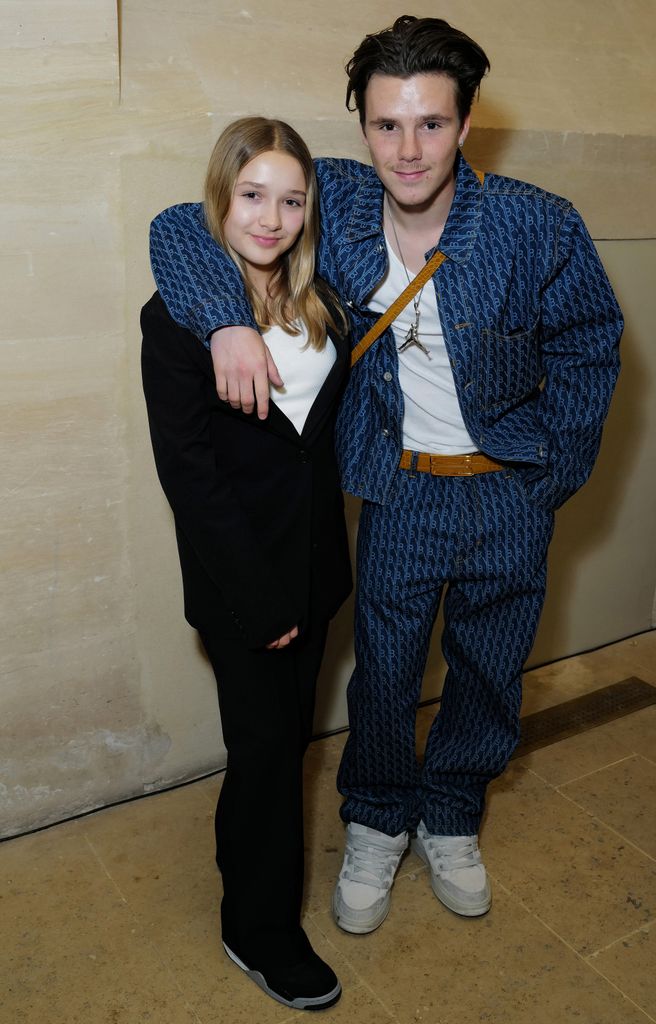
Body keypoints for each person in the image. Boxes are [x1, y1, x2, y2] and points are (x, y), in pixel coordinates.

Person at [147, 16, 623, 937]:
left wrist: (554, 470)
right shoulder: (338, 205)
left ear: (466, 122)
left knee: (488, 669)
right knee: (386, 674)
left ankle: (449, 813)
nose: (408, 150)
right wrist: (223, 321)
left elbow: (589, 343)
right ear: (360, 127)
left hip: (510, 491)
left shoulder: (536, 224)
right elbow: (182, 223)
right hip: (399, 488)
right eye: (385, 125)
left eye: (431, 124)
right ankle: (374, 816)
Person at [141, 116, 351, 1010]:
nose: (270, 217)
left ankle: (242, 858)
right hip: (244, 584)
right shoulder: (179, 316)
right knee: (268, 749)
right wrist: (262, 598)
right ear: (221, 197)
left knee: (277, 747)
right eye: (252, 194)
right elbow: (190, 478)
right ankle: (258, 930)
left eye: (291, 198)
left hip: (315, 566)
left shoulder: (317, 298)